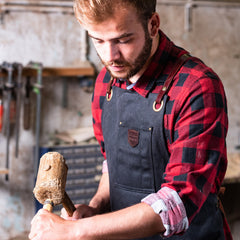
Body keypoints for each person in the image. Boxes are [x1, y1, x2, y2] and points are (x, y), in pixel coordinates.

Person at [29, 0, 233, 239]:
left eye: (123, 40)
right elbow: (112, 164)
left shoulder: (196, 86)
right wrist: (97, 207)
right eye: (98, 40)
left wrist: (76, 231)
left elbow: (179, 202)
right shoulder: (106, 82)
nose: (110, 56)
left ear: (153, 25)